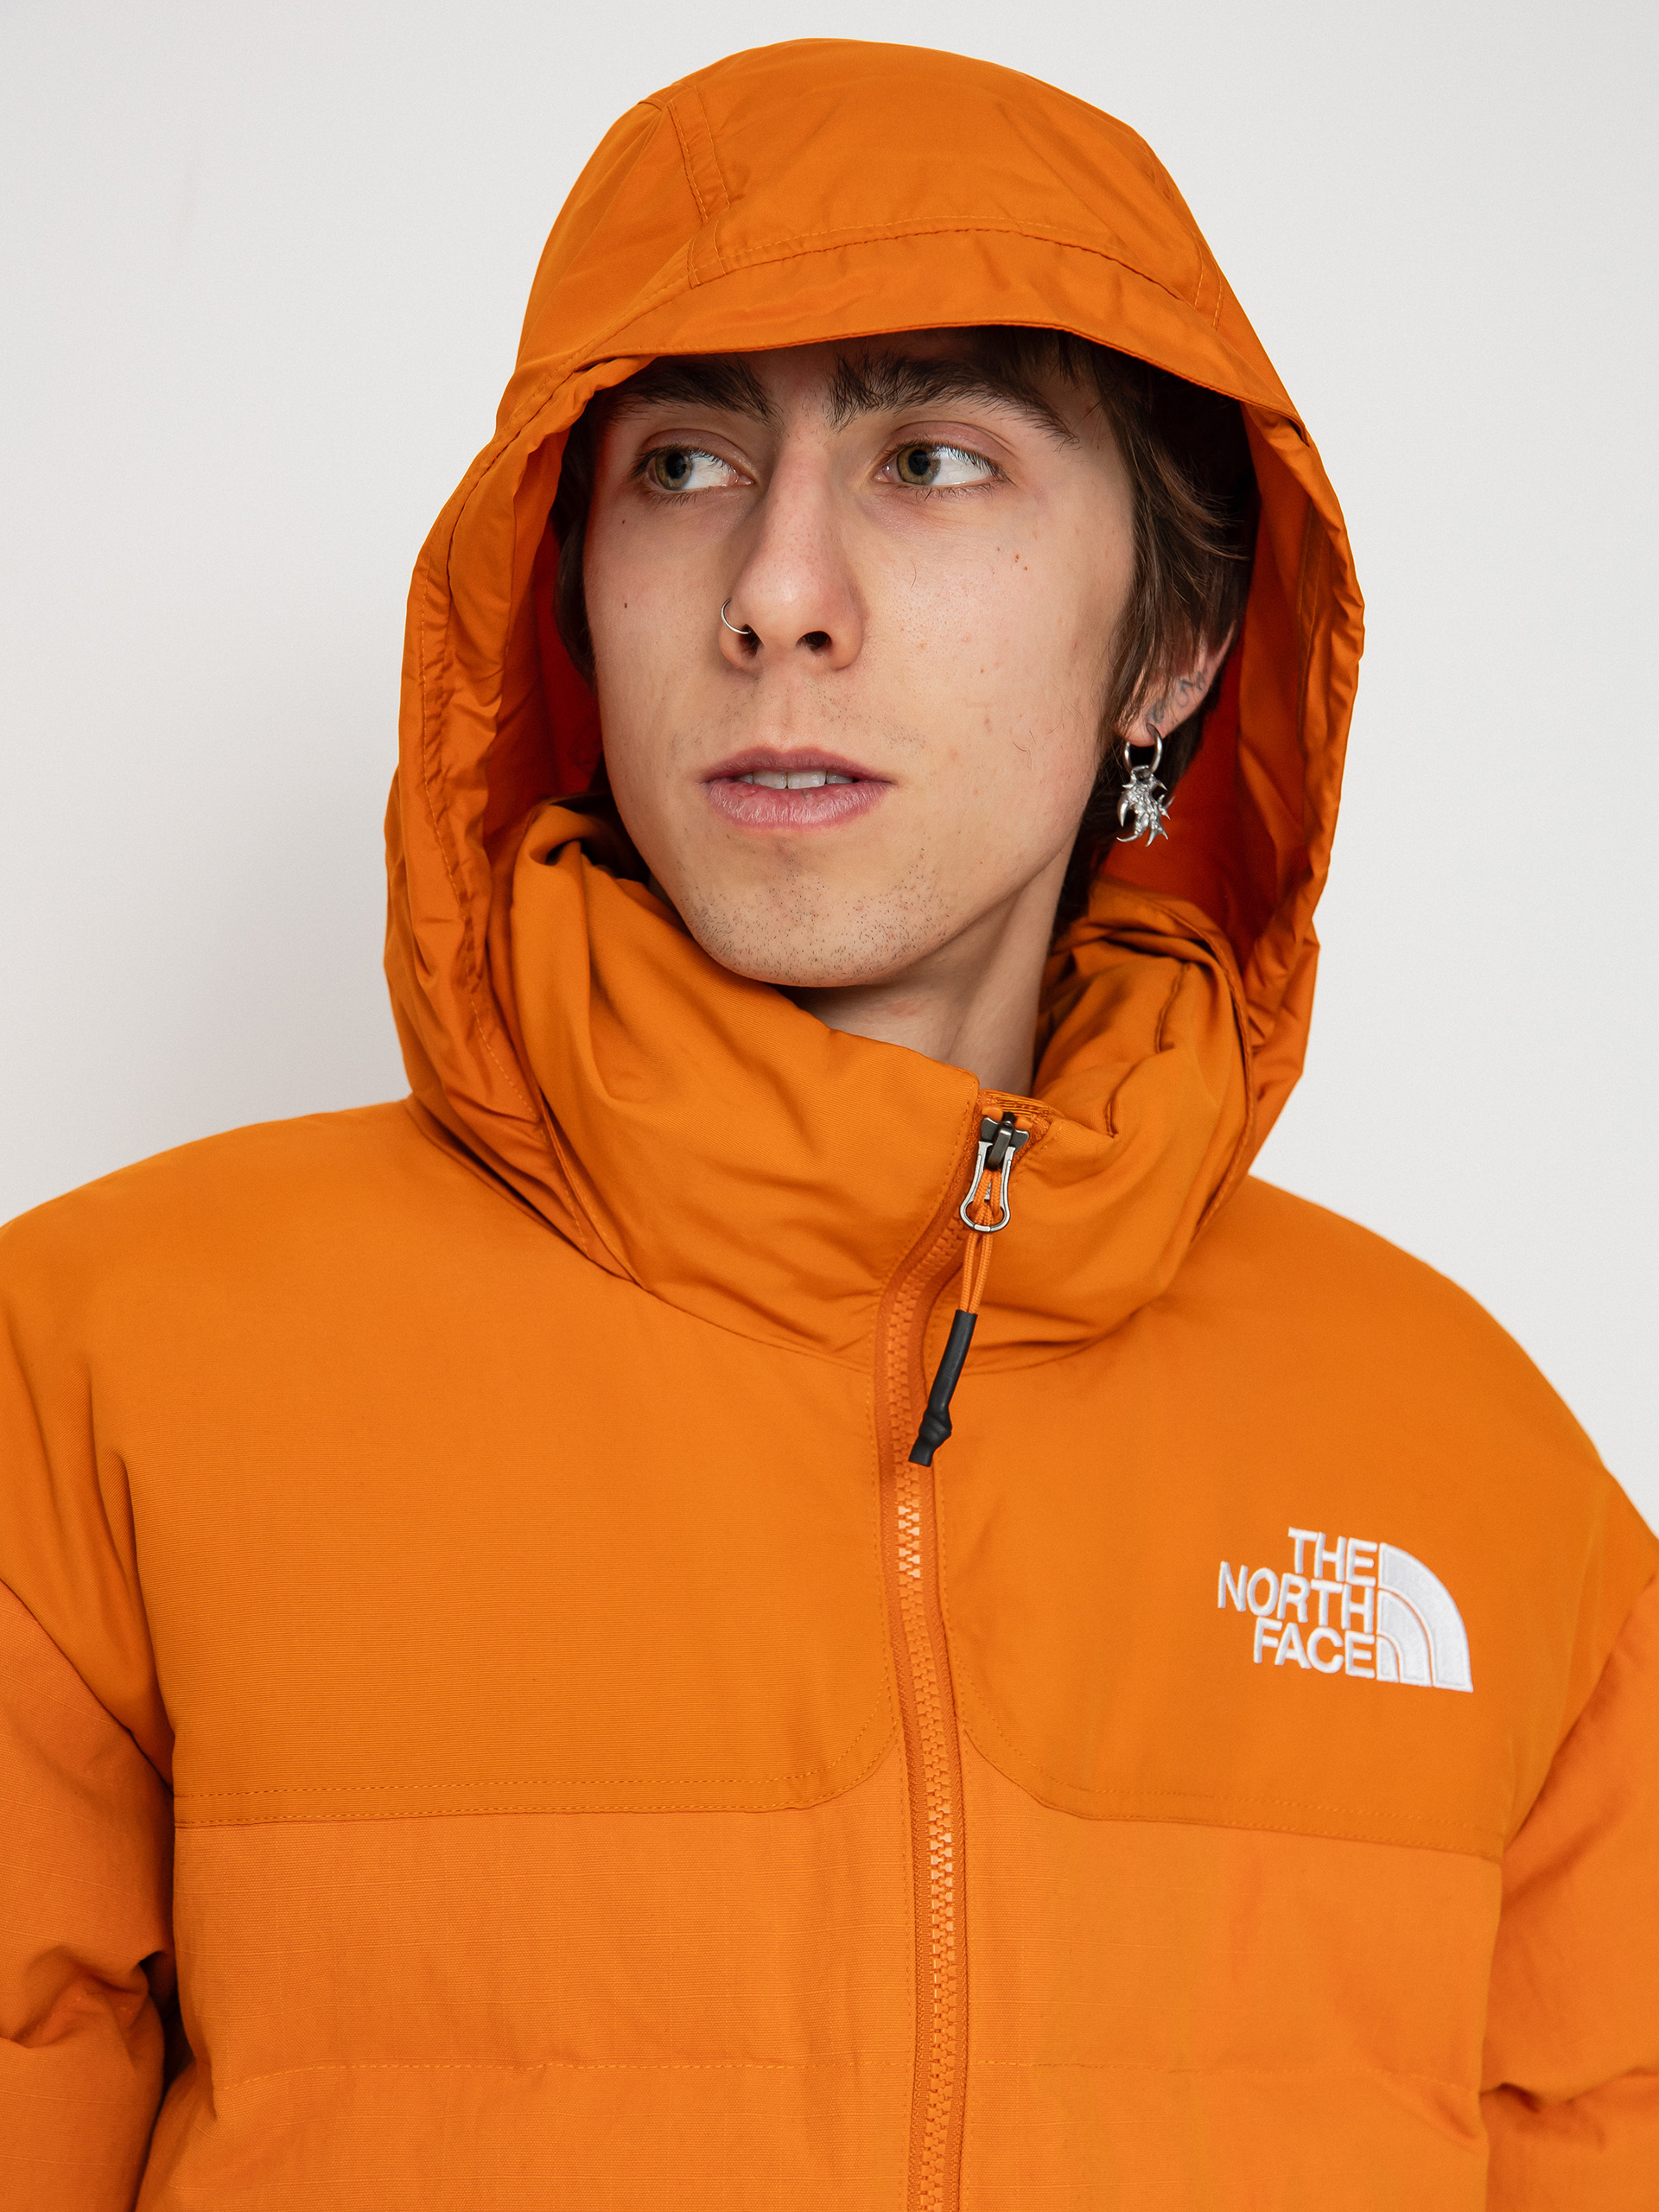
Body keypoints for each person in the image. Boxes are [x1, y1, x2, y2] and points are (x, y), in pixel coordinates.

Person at [2, 37, 1654, 2211]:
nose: (778, 589)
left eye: (934, 459)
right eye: (684, 464)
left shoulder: (1482, 1483)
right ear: (567, 595)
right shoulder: (99, 1372)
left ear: (1172, 644)